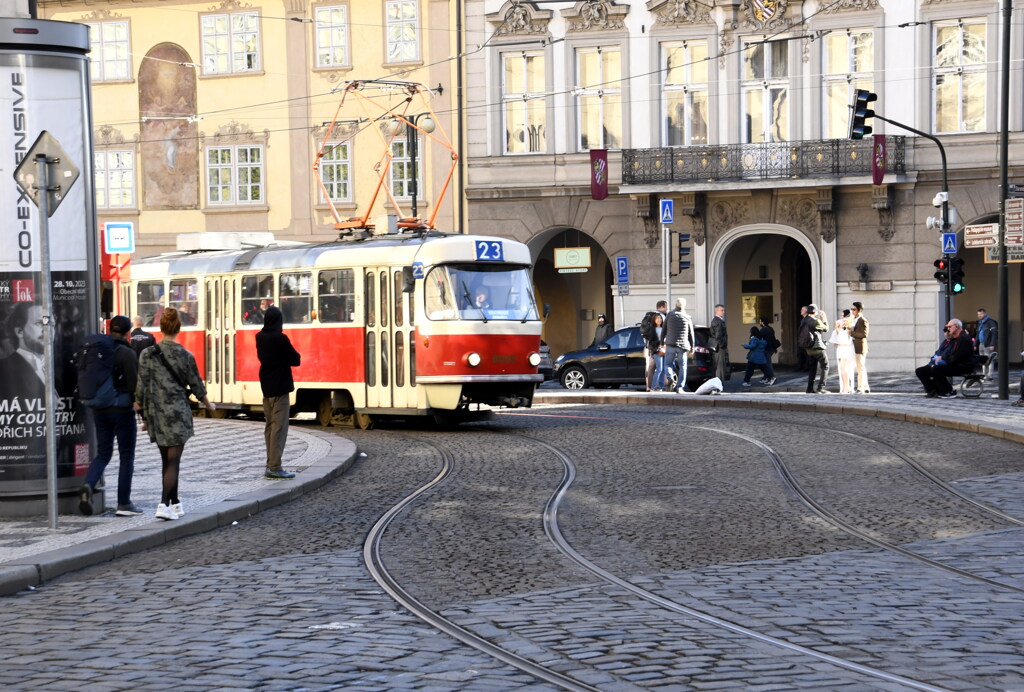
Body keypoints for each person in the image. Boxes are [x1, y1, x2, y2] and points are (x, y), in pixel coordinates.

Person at [135, 307, 216, 520]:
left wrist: (144, 417)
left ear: (160, 328)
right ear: (178, 328)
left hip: (157, 414)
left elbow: (141, 389)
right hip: (178, 414)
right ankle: (163, 504)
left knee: (167, 460)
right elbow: (196, 385)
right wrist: (209, 404)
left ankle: (176, 503)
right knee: (173, 462)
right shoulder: (185, 355)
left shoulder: (147, 354)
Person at [78, 315, 142, 517]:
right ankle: (124, 503)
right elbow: (134, 386)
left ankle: (89, 484)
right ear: (127, 332)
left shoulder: (99, 349)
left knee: (104, 453)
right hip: (121, 411)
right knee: (126, 456)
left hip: (100, 409)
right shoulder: (126, 353)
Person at [256, 306, 301, 480]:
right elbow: (295, 359)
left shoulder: (260, 337)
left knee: (269, 426)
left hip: (266, 388)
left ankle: (270, 463)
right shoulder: (280, 338)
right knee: (279, 428)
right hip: (280, 389)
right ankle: (274, 467)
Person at [915, 318, 976, 398]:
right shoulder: (959, 338)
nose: (948, 329)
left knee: (937, 369)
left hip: (963, 366)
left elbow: (957, 356)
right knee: (920, 371)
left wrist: (942, 359)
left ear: (956, 326)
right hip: (957, 363)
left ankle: (948, 391)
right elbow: (943, 354)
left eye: (950, 327)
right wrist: (936, 361)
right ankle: (933, 391)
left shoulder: (963, 338)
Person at [0, 302, 45, 391]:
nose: (47, 330)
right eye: (39, 323)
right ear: (19, 331)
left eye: (50, 323)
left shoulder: (51, 369)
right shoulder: (4, 370)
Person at [664, 298, 695, 393]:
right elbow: (691, 333)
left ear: (675, 305)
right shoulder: (687, 317)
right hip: (683, 345)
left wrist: (662, 342)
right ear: (684, 306)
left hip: (670, 344)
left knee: (668, 364)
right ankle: (680, 387)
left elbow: (664, 329)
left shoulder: (669, 315)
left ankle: (669, 377)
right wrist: (692, 346)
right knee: (683, 366)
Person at [798, 304, 830, 393]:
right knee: (825, 367)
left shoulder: (803, 320)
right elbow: (826, 329)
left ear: (807, 312)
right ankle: (821, 388)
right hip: (817, 348)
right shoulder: (816, 321)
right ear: (815, 312)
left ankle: (809, 388)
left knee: (812, 369)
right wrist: (824, 318)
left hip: (808, 349)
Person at [642, 300, 669, 391]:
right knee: (658, 368)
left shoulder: (662, 327)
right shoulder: (653, 329)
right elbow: (651, 340)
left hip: (663, 349)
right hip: (655, 350)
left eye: (660, 319)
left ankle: (661, 386)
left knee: (661, 369)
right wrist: (659, 344)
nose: (660, 320)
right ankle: (652, 386)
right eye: (658, 319)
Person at [829, 309, 856, 394]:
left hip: (846, 349)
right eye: (841, 316)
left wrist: (843, 327)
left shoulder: (850, 326)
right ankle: (845, 386)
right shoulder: (840, 327)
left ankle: (847, 387)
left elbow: (848, 340)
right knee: (842, 369)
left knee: (844, 368)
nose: (842, 318)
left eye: (843, 315)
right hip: (840, 350)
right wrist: (837, 328)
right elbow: (836, 339)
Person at [850, 301, 870, 393]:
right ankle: (865, 387)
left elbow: (864, 334)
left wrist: (852, 333)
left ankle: (860, 387)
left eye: (854, 309)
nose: (852, 311)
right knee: (861, 367)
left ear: (859, 310)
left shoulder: (863, 320)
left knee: (860, 368)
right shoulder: (853, 319)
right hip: (854, 346)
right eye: (852, 309)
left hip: (860, 347)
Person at [708, 304, 729, 381]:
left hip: (718, 346)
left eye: (724, 310)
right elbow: (718, 335)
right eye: (722, 310)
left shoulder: (718, 320)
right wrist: (722, 344)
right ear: (717, 311)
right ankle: (717, 385)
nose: (723, 312)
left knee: (719, 367)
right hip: (719, 347)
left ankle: (718, 384)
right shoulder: (717, 321)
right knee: (719, 367)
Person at [976, 308, 998, 379]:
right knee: (983, 360)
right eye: (978, 314)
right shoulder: (980, 323)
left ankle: (990, 375)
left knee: (990, 360)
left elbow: (994, 334)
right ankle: (984, 375)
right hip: (981, 344)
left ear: (985, 314)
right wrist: (975, 344)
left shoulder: (990, 322)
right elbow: (978, 334)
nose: (979, 315)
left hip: (988, 344)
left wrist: (992, 344)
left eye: (981, 314)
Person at [757, 317, 778, 386]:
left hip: (766, 349)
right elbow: (773, 338)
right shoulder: (771, 329)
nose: (759, 323)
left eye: (760, 321)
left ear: (762, 322)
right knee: (766, 363)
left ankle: (771, 377)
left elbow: (758, 338)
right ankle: (766, 377)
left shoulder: (763, 330)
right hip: (771, 348)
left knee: (767, 364)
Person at [795, 306, 809, 372]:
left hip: (805, 340)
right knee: (800, 354)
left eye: (802, 310)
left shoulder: (807, 320)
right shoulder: (802, 319)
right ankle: (800, 366)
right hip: (801, 340)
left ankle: (806, 367)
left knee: (806, 355)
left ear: (806, 311)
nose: (800, 311)